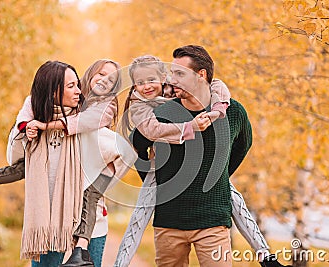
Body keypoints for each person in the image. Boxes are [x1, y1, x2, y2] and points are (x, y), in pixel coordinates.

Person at [0, 59, 136, 267]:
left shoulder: (92, 127)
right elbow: (17, 162)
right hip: (48, 222)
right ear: (53, 92)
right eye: (71, 85)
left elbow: (125, 154)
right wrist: (25, 129)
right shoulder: (35, 122)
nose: (77, 90)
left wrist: (98, 184)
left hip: (89, 224)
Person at [122, 46, 291, 267]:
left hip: (212, 222)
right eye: (172, 73)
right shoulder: (160, 114)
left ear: (201, 75)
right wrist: (156, 178)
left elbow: (243, 145)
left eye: (180, 74)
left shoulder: (232, 112)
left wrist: (218, 174)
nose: (172, 79)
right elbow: (137, 146)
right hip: (169, 223)